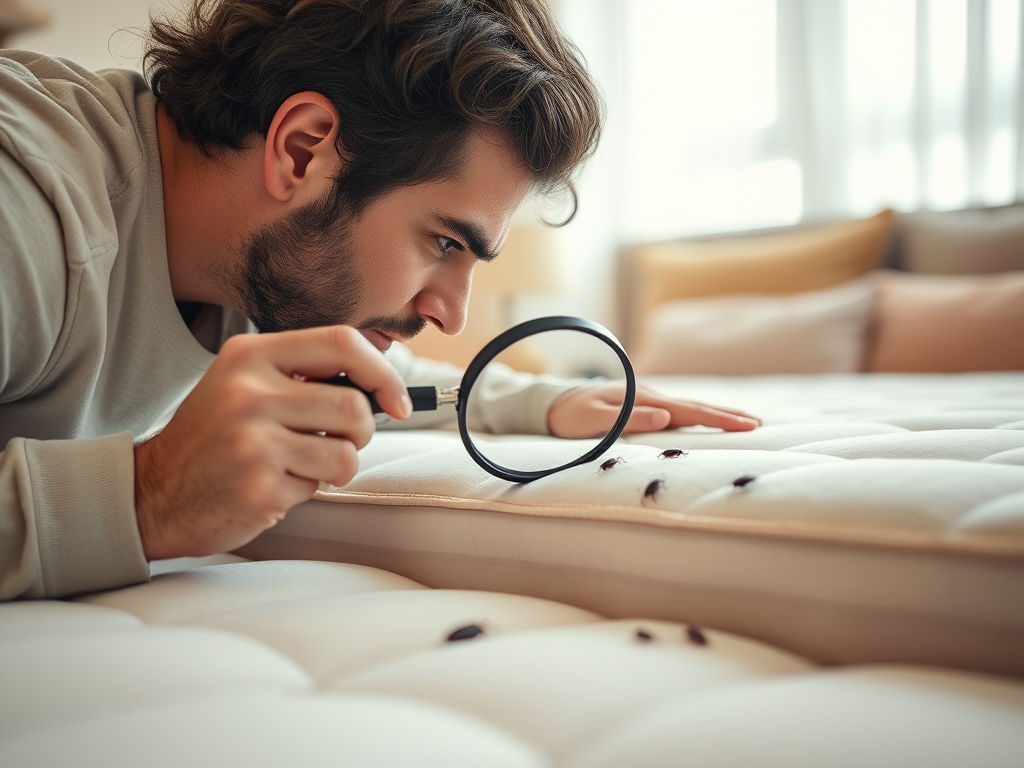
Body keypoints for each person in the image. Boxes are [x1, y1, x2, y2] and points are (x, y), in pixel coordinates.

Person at [0, 0, 759, 601]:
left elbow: (355, 370)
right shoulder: (25, 207)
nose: (453, 315)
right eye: (443, 242)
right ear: (302, 150)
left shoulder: (247, 263)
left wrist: (539, 402)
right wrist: (148, 495)